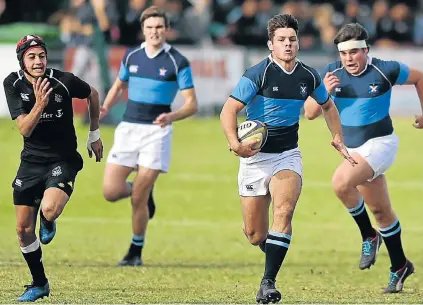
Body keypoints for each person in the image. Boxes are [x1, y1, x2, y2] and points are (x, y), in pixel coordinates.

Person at [220, 14, 356, 304]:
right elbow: (228, 111)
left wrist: (337, 136)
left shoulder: (308, 76)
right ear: (271, 44)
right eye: (281, 40)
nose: (288, 44)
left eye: (292, 39)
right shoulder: (258, 73)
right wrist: (235, 144)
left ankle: (267, 283)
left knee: (284, 210)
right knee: (256, 235)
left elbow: (328, 106)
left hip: (287, 155)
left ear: (298, 42)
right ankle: (272, 250)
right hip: (254, 159)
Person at [304, 23, 422, 293]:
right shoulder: (331, 74)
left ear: (366, 50)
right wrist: (325, 90)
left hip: (381, 144)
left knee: (340, 183)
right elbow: (309, 113)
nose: (349, 59)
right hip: (354, 150)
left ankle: (369, 235)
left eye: (355, 52)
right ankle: (400, 265)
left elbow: (419, 77)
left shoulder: (385, 69)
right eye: (345, 54)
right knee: (381, 211)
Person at [3, 35, 103, 302]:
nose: (38, 62)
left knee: (48, 208)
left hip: (63, 160)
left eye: (42, 56)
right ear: (22, 60)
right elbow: (24, 128)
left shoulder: (64, 80)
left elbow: (92, 94)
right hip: (31, 163)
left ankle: (48, 220)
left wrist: (94, 132)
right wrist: (39, 105)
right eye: (32, 57)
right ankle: (39, 284)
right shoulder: (12, 83)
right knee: (23, 230)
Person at [100, 6, 198, 266]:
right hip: (128, 128)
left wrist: (171, 116)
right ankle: (143, 191)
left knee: (138, 198)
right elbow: (119, 85)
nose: (155, 32)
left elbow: (191, 104)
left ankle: (135, 251)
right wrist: (106, 107)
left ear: (166, 30)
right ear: (143, 30)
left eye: (159, 27)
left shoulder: (178, 61)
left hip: (157, 131)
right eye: (150, 28)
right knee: (110, 191)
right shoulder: (131, 55)